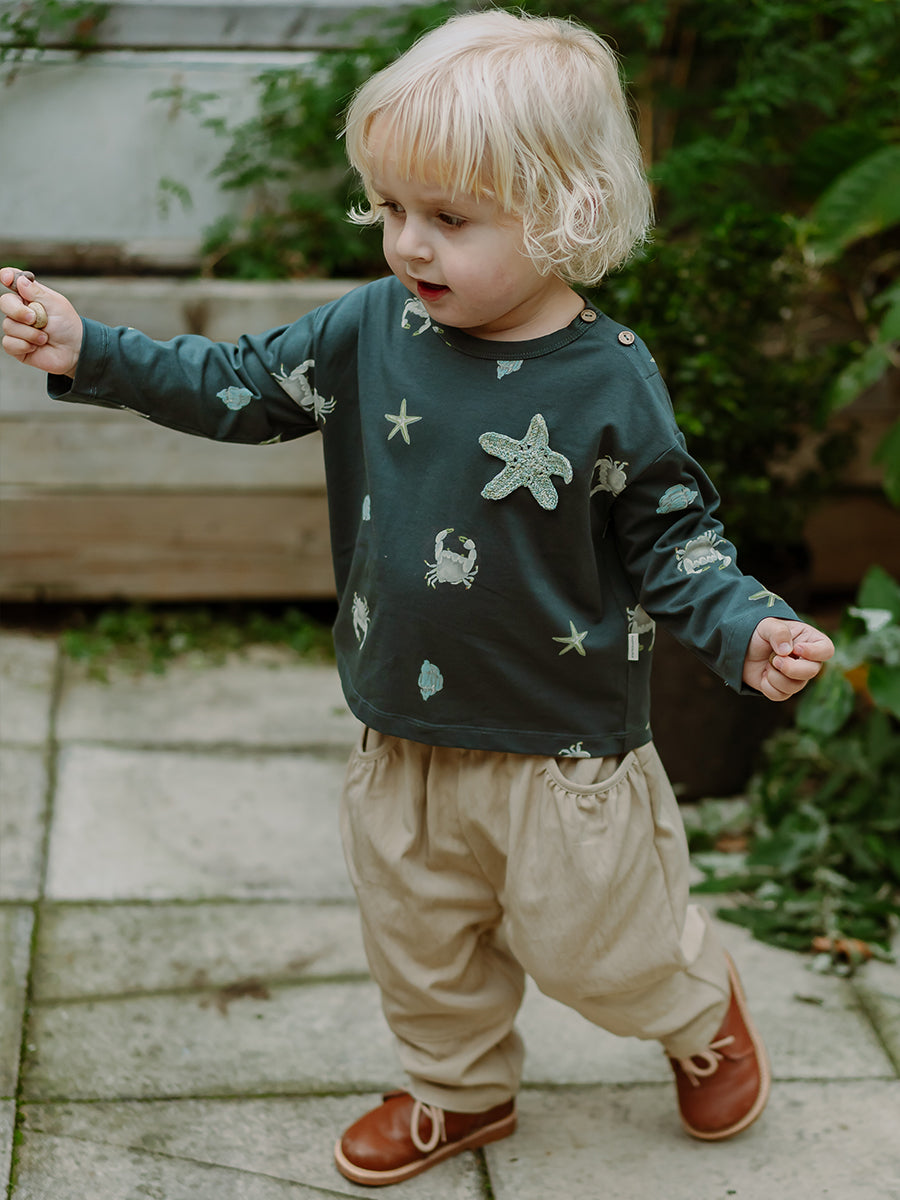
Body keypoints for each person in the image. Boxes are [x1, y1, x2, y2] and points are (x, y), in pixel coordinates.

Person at [1, 9, 835, 1188]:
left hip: (565, 750)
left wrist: (745, 627)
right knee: (421, 946)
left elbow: (672, 536)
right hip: (403, 727)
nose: (408, 244)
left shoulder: (608, 379)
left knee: (606, 950)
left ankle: (698, 1013)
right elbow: (238, 386)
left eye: (449, 218)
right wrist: (90, 347)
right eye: (391, 208)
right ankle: (460, 1091)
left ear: (565, 212)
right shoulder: (368, 329)